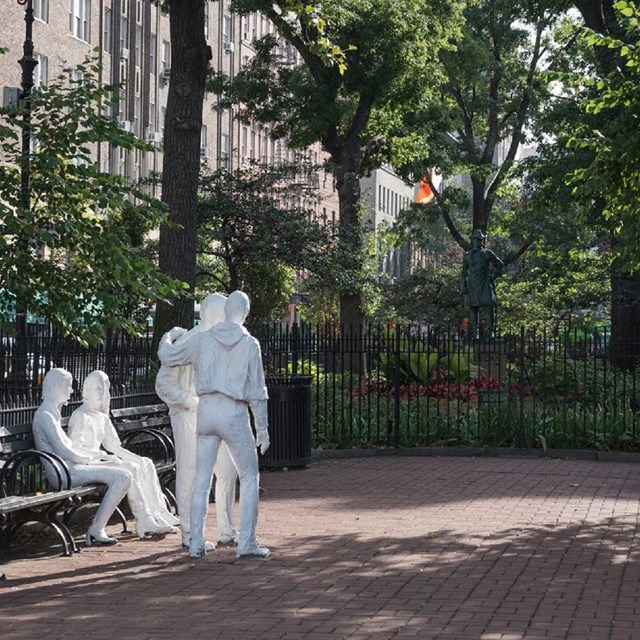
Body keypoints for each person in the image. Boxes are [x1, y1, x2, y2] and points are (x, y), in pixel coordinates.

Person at [158, 290, 270, 559]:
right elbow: (257, 390)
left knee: (201, 478)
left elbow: (168, 356)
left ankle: (196, 542)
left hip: (206, 411)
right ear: (245, 312)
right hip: (233, 411)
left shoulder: (203, 339)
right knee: (250, 476)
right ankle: (248, 542)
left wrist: (167, 337)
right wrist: (263, 428)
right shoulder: (249, 343)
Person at [155, 292, 239, 550]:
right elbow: (163, 383)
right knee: (190, 472)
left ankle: (226, 529)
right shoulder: (190, 340)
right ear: (212, 313)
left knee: (227, 470)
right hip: (188, 415)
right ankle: (190, 533)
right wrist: (189, 401)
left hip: (217, 415)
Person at [68, 370, 179, 539]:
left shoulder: (101, 417)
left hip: (97, 461)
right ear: (86, 390)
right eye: (96, 388)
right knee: (131, 468)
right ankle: (144, 519)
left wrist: (138, 458)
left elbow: (115, 447)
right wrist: (102, 455)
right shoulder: (81, 416)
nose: (100, 393)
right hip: (85, 464)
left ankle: (158, 513)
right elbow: (76, 448)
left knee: (145, 463)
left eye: (103, 389)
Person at [32, 368, 133, 545]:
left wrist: (100, 455)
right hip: (63, 474)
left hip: (70, 467)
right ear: (56, 387)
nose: (71, 391)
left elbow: (69, 448)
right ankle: (96, 529)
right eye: (68, 386)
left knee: (125, 470)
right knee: (123, 476)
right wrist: (93, 459)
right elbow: (64, 451)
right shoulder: (45, 416)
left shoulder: (52, 414)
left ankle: (97, 528)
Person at [461, 229, 504, 338]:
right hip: (472, 285)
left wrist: (492, 277)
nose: (477, 241)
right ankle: (475, 334)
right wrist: (463, 285)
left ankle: (490, 332)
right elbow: (464, 272)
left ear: (482, 241)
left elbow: (499, 264)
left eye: (479, 239)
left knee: (489, 308)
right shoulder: (467, 256)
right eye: (475, 239)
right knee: (473, 311)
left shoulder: (487, 253)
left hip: (485, 284)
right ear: (472, 240)